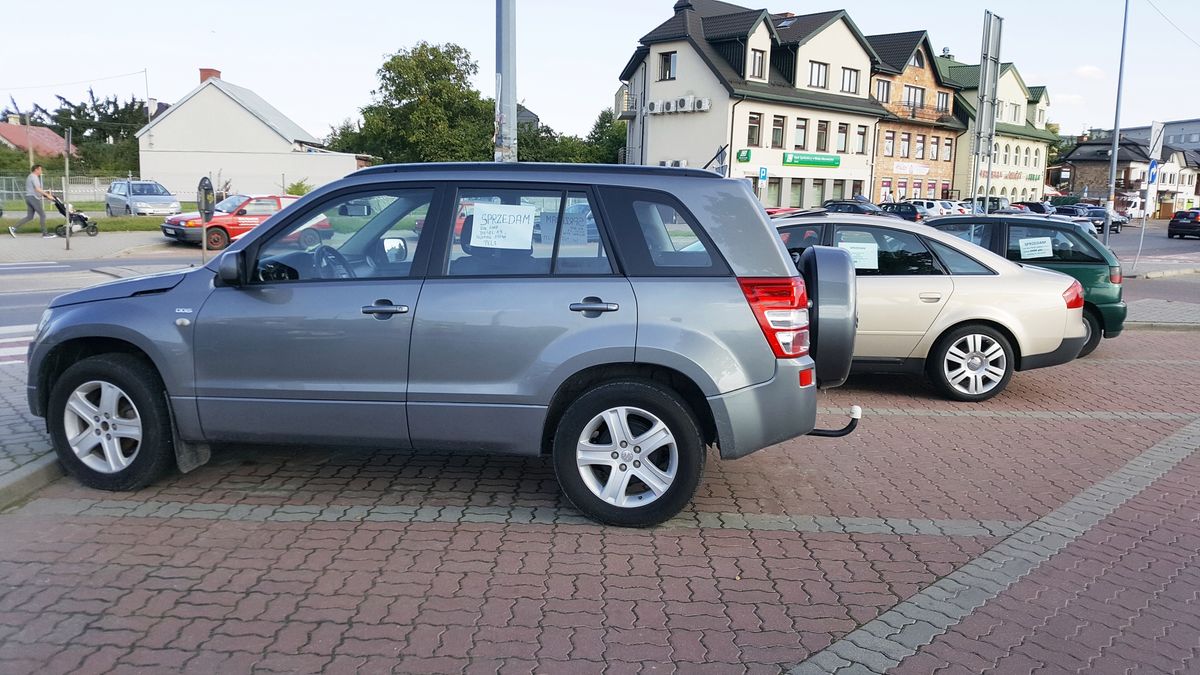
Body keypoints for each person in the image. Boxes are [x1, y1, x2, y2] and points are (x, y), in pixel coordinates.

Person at [10, 164, 57, 238]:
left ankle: (13, 228)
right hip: (33, 198)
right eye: (40, 169)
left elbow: (35, 190)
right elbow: (37, 189)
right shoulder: (34, 177)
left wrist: (45, 196)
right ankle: (45, 234)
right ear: (36, 170)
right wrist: (47, 195)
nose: (41, 171)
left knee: (29, 217)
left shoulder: (30, 176)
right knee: (42, 215)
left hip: (29, 197)